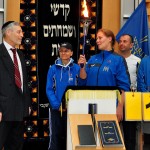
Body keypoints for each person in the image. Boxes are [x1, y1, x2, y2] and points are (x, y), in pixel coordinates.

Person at [78, 28, 130, 122]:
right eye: (97, 38)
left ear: (109, 39)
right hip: (90, 105)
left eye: (100, 38)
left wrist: (120, 106)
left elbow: (124, 86)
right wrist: (82, 67)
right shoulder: (93, 59)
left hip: (109, 106)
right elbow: (82, 81)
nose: (97, 41)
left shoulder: (118, 59)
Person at [0, 21, 31, 150]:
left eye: (21, 32)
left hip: (19, 111)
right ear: (8, 32)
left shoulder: (20, 54)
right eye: (18, 32)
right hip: (3, 112)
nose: (22, 35)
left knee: (16, 146)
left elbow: (24, 82)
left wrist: (27, 104)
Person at [46, 42, 80, 150]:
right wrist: (57, 104)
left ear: (71, 53)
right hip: (56, 108)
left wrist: (72, 105)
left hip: (72, 108)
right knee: (55, 136)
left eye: (66, 51)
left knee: (71, 135)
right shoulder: (53, 68)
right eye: (61, 51)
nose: (63, 53)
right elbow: (49, 89)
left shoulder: (77, 68)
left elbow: (81, 86)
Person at [118, 34, 141, 150]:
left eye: (125, 41)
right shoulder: (114, 59)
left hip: (131, 100)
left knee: (130, 135)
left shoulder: (137, 61)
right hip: (116, 100)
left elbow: (141, 81)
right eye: (120, 41)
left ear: (131, 45)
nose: (121, 43)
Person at [137, 55, 150, 149]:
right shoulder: (144, 61)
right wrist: (147, 96)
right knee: (146, 136)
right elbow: (140, 81)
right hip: (147, 103)